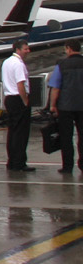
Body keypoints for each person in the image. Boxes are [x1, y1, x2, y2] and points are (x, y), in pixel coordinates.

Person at [1, 39, 35, 171]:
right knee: (21, 133)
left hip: (9, 97)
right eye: (25, 49)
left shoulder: (7, 62)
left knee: (13, 131)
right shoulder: (18, 64)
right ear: (18, 49)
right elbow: (20, 84)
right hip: (18, 99)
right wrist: (25, 101)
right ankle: (19, 162)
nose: (28, 51)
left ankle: (12, 161)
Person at [53, 39, 83, 175]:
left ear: (68, 49)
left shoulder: (61, 64)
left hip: (65, 106)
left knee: (66, 137)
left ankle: (67, 166)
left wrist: (53, 105)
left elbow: (55, 87)